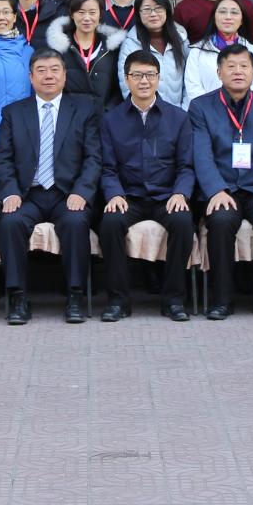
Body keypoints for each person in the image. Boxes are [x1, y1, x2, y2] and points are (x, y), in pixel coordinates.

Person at [0, 49, 102, 324]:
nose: (48, 76)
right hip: (27, 194)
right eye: (41, 70)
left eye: (55, 69)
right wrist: (10, 192)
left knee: (76, 222)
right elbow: (3, 159)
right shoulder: (13, 112)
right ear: (31, 77)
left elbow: (93, 157)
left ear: (65, 75)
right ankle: (17, 297)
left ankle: (75, 295)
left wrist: (81, 192)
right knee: (9, 223)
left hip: (67, 193)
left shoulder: (84, 110)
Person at [189, 44, 253, 320]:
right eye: (231, 66)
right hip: (222, 188)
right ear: (219, 72)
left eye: (244, 66)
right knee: (221, 220)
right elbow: (201, 154)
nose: (238, 72)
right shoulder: (201, 107)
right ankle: (221, 300)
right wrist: (216, 190)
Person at [98, 52, 196, 321]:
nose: (144, 81)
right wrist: (114, 194)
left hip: (166, 196)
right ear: (126, 79)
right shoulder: (111, 120)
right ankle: (118, 301)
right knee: (110, 223)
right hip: (129, 197)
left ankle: (174, 299)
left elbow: (186, 166)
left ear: (159, 78)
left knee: (183, 222)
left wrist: (180, 193)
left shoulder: (178, 118)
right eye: (137, 75)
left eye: (150, 75)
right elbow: (108, 167)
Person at [182, 0, 253, 106]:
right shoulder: (197, 52)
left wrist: (237, 109)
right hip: (205, 114)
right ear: (214, 17)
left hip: (244, 114)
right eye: (222, 12)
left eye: (234, 12)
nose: (228, 17)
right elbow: (193, 89)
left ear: (242, 20)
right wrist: (214, 111)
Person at [47, 0, 124, 111]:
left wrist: (108, 112)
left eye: (92, 12)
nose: (87, 18)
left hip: (102, 118)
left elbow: (118, 88)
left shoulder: (112, 48)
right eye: (81, 12)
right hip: (69, 118)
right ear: (72, 14)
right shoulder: (59, 47)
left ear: (100, 14)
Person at [117, 0, 188, 106]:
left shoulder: (181, 39)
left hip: (179, 114)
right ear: (138, 13)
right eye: (146, 9)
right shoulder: (130, 44)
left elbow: (190, 82)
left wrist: (182, 113)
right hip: (144, 114)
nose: (153, 14)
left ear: (167, 10)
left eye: (158, 8)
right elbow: (127, 87)